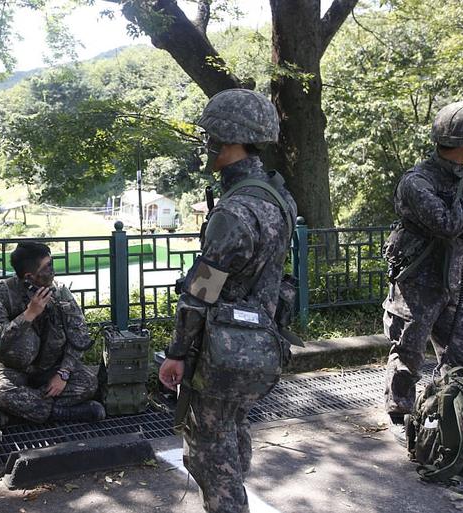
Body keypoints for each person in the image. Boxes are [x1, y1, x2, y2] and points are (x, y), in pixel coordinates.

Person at [158, 89, 296, 513]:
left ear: (229, 139)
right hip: (261, 342)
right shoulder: (278, 198)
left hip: (222, 350)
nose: (206, 144)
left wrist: (177, 353)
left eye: (211, 136)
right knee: (233, 429)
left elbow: (201, 292)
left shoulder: (234, 212)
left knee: (209, 451)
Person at [382, 101, 463, 442]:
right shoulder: (417, 182)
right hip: (417, 284)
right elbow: (448, 224)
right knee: (408, 354)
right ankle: (400, 416)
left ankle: (456, 417)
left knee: (462, 356)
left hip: (451, 279)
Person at [0, 242, 105, 423]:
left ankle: (21, 410)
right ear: (30, 276)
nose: (53, 269)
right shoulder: (0, 294)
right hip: (12, 370)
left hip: (51, 370)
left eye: (51, 262)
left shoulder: (60, 292)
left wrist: (63, 373)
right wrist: (28, 315)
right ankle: (61, 413)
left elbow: (79, 335)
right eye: (47, 266)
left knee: (88, 383)